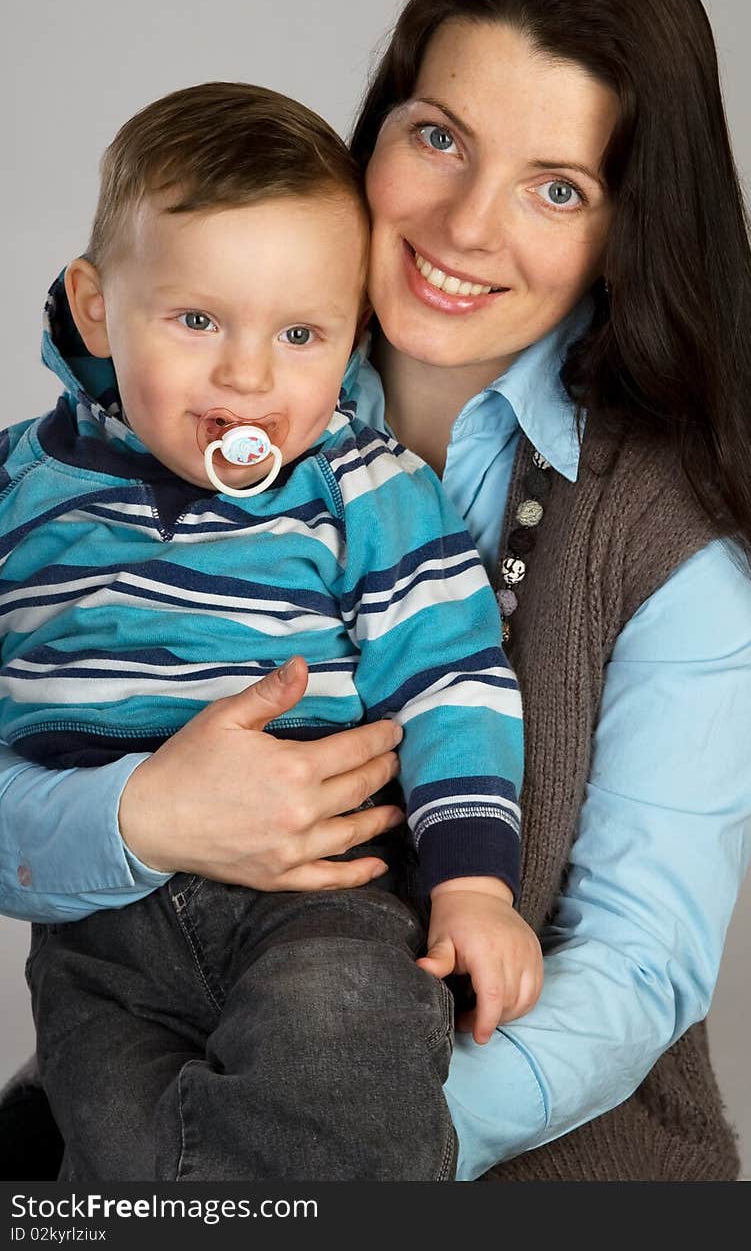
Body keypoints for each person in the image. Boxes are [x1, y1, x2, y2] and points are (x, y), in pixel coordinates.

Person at [0, 0, 751, 1182]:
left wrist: (321, 1150)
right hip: (141, 1052)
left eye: (555, 186)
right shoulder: (194, 395)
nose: (467, 223)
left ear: (626, 229)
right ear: (378, 135)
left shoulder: (689, 553)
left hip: (492, 1142)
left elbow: (635, 970)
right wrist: (139, 813)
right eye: (441, 138)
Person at [0, 81, 540, 1180]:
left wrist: (473, 882)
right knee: (117, 1149)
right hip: (100, 930)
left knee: (349, 1056)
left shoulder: (366, 488)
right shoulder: (20, 488)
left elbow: (451, 680)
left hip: (320, 901)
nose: (247, 375)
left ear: (351, 337)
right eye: (196, 320)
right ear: (99, 308)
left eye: (299, 333)